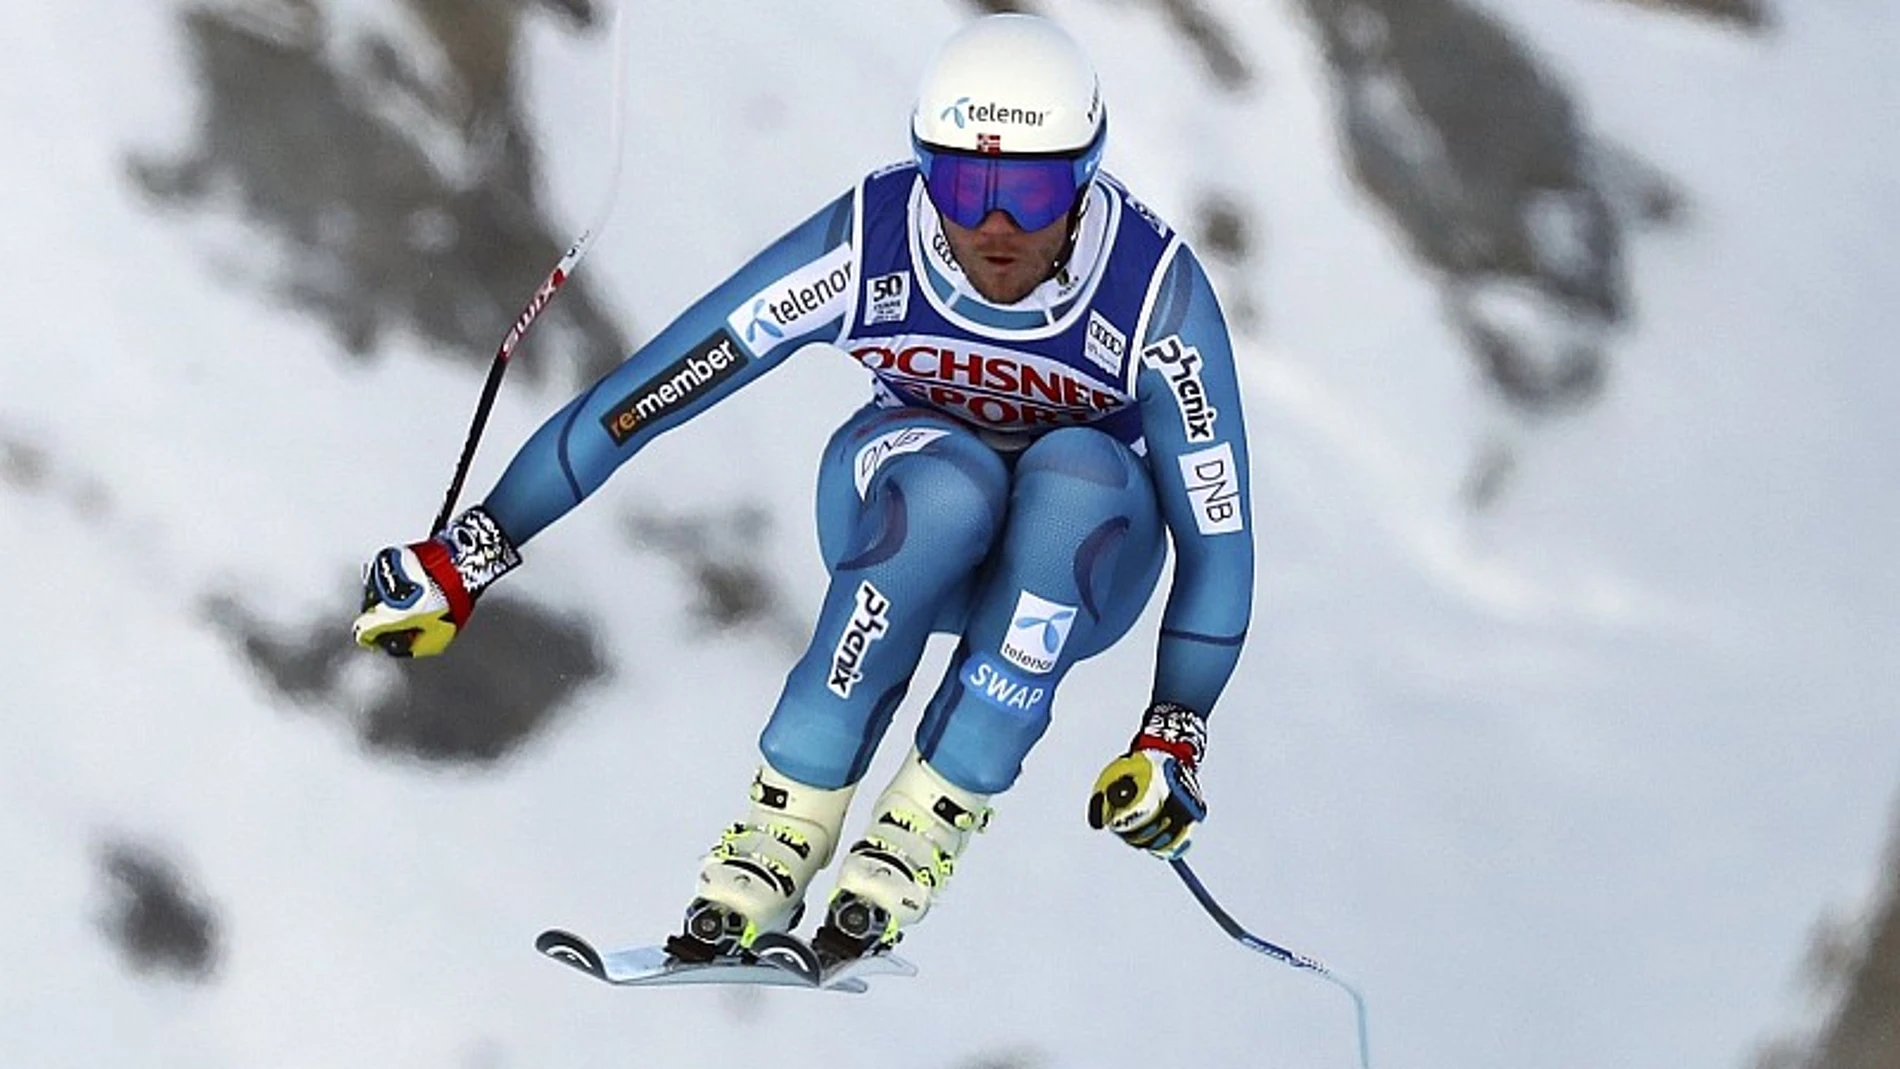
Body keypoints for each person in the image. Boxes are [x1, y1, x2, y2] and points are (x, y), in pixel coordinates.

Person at [352, 13, 1253, 967]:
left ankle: (920, 830)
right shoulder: (872, 241)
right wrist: (473, 549)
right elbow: (647, 395)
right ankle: (776, 839)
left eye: (1028, 191)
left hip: (1080, 562)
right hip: (908, 498)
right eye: (959, 181)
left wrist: (1174, 732)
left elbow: (1218, 542)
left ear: (1083, 175)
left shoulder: (1153, 295)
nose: (993, 224)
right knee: (948, 487)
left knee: (1083, 479)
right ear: (921, 168)